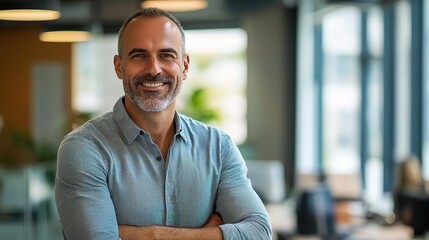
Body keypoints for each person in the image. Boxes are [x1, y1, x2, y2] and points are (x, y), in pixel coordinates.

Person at [55, 7, 272, 240]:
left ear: (185, 66)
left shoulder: (218, 147)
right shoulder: (84, 148)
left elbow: (259, 232)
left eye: (166, 55)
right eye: (139, 55)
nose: (154, 69)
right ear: (119, 66)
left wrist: (150, 235)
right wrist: (208, 233)